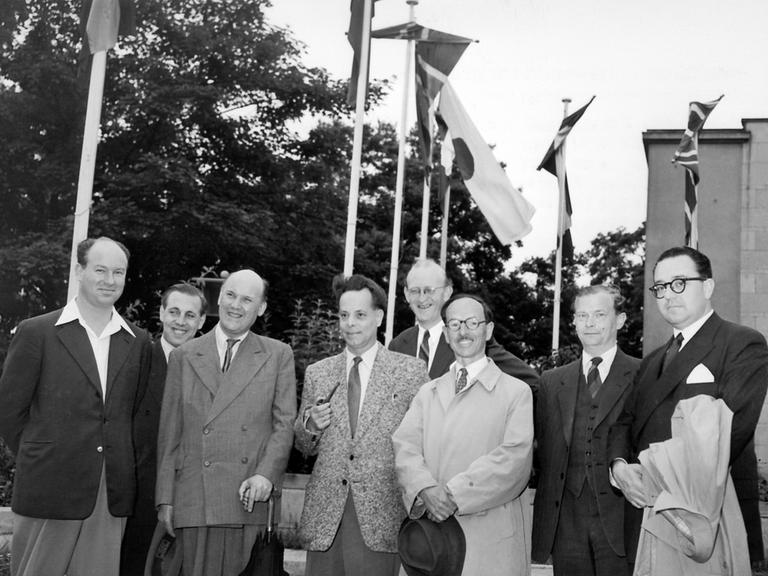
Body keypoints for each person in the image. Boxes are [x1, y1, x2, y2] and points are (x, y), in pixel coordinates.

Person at [608, 246, 768, 567]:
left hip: (707, 512)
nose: (669, 294)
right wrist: (619, 467)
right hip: (649, 515)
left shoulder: (742, 343)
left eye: (680, 282)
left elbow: (730, 430)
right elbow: (624, 423)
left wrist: (652, 472)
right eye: (661, 287)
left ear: (707, 287)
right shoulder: (653, 359)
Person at [0, 237, 151, 576]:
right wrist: (41, 453)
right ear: (80, 271)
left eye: (118, 272)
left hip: (109, 493)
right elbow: (9, 412)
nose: (109, 280)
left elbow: (134, 413)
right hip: (48, 486)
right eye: (100, 270)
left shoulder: (138, 341)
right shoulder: (37, 332)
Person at [155, 269, 296, 576]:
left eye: (248, 299)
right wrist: (165, 499)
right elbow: (170, 434)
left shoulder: (277, 355)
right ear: (218, 298)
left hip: (247, 497)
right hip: (194, 498)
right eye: (231, 295)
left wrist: (265, 475)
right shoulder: (185, 355)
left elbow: (284, 426)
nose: (236, 305)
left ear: (260, 309)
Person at [294, 274, 429, 576]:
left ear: (379, 317)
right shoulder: (319, 372)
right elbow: (302, 445)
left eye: (359, 315)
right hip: (325, 519)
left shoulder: (410, 372)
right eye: (344, 315)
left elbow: (425, 442)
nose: (350, 323)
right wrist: (311, 427)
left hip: (381, 517)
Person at [392, 294, 534, 576]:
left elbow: (513, 460)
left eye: (472, 323)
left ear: (488, 330)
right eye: (455, 324)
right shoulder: (427, 393)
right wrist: (425, 489)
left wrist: (453, 495)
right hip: (430, 541)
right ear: (445, 334)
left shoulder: (516, 393)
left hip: (489, 542)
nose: (463, 331)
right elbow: (404, 446)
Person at [532, 285, 640, 575]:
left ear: (619, 320)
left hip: (623, 521)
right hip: (566, 523)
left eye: (599, 314)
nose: (589, 323)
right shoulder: (551, 381)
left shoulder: (643, 375)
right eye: (582, 315)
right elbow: (542, 451)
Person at [120, 283, 207, 575]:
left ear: (202, 321)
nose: (180, 322)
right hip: (141, 496)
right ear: (161, 313)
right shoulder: (137, 360)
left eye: (190, 315)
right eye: (174, 312)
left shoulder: (214, 368)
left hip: (194, 495)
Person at [389, 258, 539, 388]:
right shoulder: (397, 346)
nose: (422, 298)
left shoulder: (470, 337)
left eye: (429, 290)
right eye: (415, 291)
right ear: (406, 295)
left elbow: (533, 383)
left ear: (447, 292)